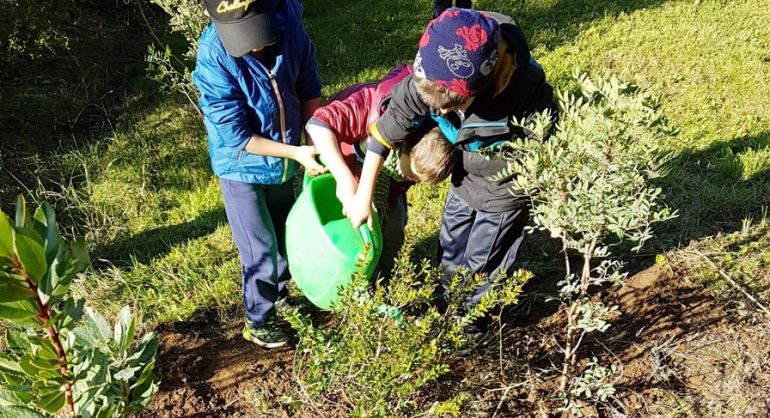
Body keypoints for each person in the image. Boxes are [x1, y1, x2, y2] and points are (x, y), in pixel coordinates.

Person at [345, 9, 555, 311]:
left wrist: (528, 183)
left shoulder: (525, 89)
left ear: (479, 89)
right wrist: (364, 195)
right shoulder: (431, 77)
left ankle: (470, 320)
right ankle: (443, 307)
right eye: (436, 107)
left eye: (450, 107)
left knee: (483, 259)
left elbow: (545, 138)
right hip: (464, 174)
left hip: (504, 185)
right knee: (451, 246)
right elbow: (384, 135)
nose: (442, 113)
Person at [192, 0, 323, 348]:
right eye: (243, 38)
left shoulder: (290, 25)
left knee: (284, 234)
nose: (255, 46)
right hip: (240, 168)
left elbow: (309, 88)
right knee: (259, 247)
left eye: (259, 32)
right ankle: (258, 319)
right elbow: (236, 136)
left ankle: (279, 295)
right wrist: (296, 152)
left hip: (283, 163)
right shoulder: (213, 56)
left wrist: (313, 140)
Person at [305, 64, 459, 275]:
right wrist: (345, 180)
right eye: (412, 175)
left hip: (385, 189)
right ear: (404, 145)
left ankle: (383, 279)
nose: (414, 181)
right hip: (338, 175)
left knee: (393, 231)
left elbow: (403, 178)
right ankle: (348, 279)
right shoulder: (368, 107)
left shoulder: (408, 165)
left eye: (418, 180)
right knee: (350, 236)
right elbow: (317, 125)